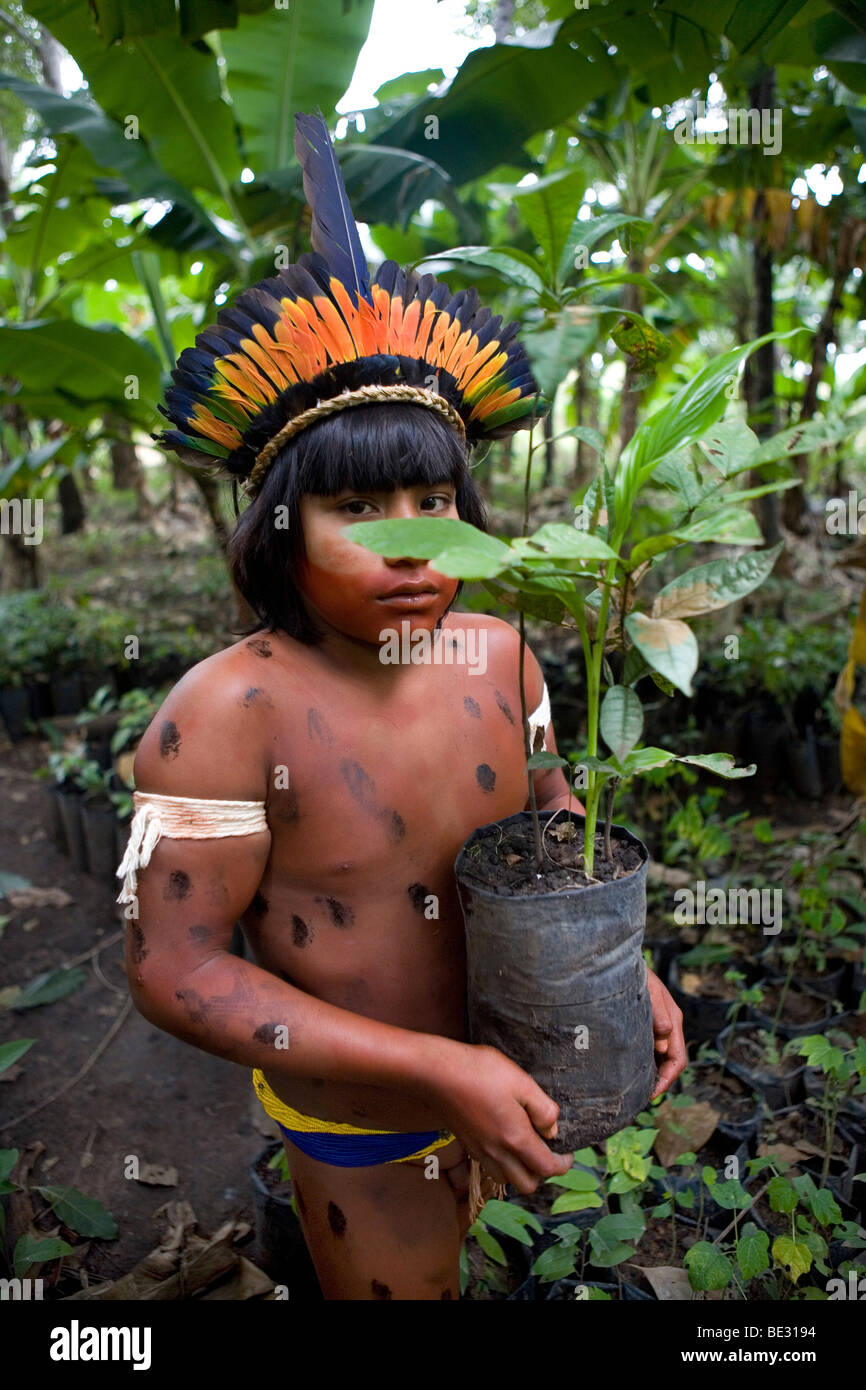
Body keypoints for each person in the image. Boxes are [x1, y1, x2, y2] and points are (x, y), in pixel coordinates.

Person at [116, 112, 686, 1301]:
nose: (413, 543)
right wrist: (427, 1068)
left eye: (434, 499)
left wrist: (620, 970)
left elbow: (556, 831)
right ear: (278, 526)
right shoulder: (223, 713)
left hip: (510, 1065)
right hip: (361, 1118)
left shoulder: (501, 657)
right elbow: (175, 969)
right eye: (361, 510)